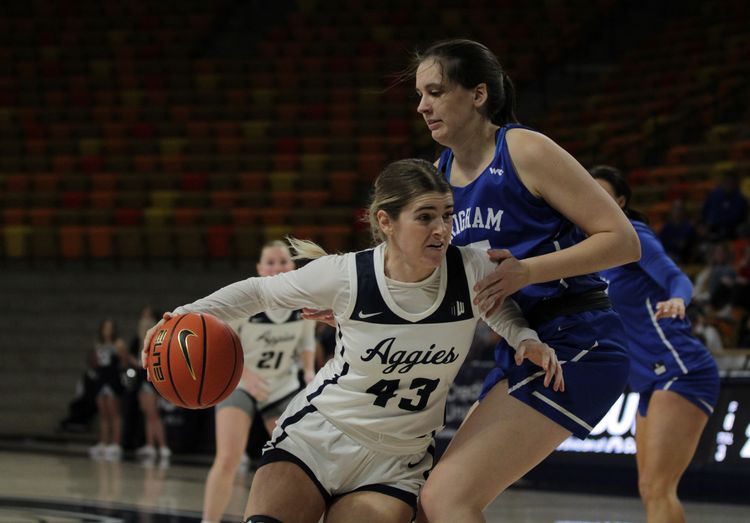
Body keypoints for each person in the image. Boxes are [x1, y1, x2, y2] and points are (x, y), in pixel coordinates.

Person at [142, 158, 563, 523]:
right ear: (386, 222)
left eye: (447, 215)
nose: (441, 229)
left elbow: (497, 306)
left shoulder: (470, 266)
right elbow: (256, 293)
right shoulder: (346, 275)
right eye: (425, 217)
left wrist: (523, 336)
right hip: (319, 435)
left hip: (397, 461)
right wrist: (178, 319)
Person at [409, 39, 641, 522]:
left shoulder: (523, 148)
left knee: (447, 498)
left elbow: (622, 241)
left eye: (434, 91)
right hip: (523, 342)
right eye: (419, 94)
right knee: (435, 501)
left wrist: (528, 271)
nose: (423, 106)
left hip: (581, 340)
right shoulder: (440, 175)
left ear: (477, 94)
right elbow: (445, 278)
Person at [591, 165, 720, 523]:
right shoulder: (589, 250)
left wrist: (679, 300)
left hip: (681, 370)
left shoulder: (633, 236)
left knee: (659, 487)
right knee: (650, 489)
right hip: (648, 380)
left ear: (620, 202)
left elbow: (676, 278)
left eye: (603, 194)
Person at [201, 240, 317, 523]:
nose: (278, 267)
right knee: (228, 458)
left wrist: (309, 372)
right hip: (240, 382)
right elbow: (222, 348)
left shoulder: (305, 302)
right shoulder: (246, 303)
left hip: (280, 386)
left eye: (283, 261)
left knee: (296, 460)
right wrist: (245, 376)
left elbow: (306, 342)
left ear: (293, 266)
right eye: (271, 262)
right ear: (259, 269)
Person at [128, 306, 171, 464]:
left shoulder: (158, 336)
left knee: (154, 414)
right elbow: (131, 356)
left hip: (152, 380)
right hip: (140, 379)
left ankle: (163, 446)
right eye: (143, 316)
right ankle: (150, 445)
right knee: (148, 413)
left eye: (148, 316)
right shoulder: (137, 339)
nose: (145, 319)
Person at [88, 318, 129, 461]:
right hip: (101, 378)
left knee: (114, 412)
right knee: (103, 413)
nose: (107, 330)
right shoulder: (98, 344)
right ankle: (104, 442)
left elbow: (124, 362)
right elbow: (95, 363)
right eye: (105, 327)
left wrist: (120, 354)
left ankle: (116, 442)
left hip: (113, 378)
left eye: (110, 327)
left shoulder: (118, 343)